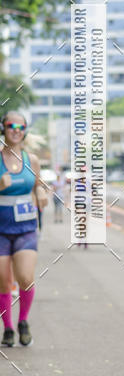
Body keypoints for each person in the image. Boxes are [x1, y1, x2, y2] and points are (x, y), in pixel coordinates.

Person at [0, 111, 47, 347]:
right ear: (4, 128)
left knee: (26, 277)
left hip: (26, 228)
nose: (16, 130)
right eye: (11, 125)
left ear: (25, 130)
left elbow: (39, 184)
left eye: (20, 127)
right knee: (3, 281)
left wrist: (40, 191)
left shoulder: (32, 160)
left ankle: (23, 321)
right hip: (1, 230)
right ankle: (8, 328)